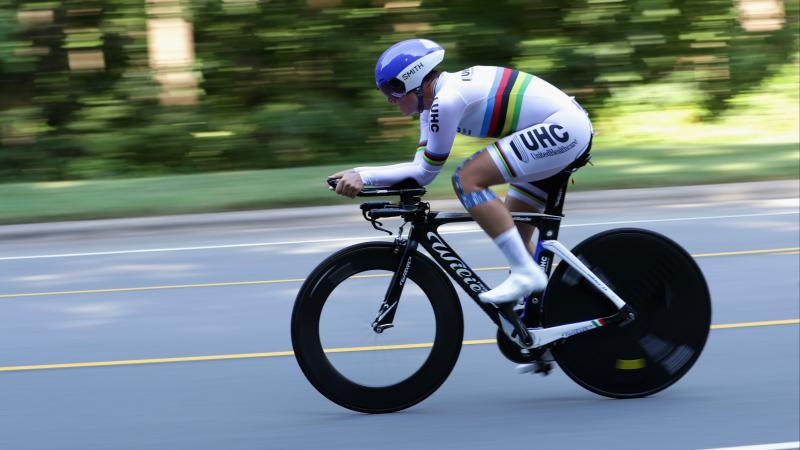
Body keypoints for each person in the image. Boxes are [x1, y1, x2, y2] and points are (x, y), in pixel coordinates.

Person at [329, 38, 593, 305]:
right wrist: (359, 173)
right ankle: (558, 305)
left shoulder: (447, 100)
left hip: (564, 127)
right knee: (514, 233)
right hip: (559, 129)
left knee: (467, 179)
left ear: (411, 80)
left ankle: (528, 276)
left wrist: (364, 176)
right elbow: (419, 168)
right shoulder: (432, 106)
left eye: (392, 90)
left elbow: (426, 173)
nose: (389, 99)